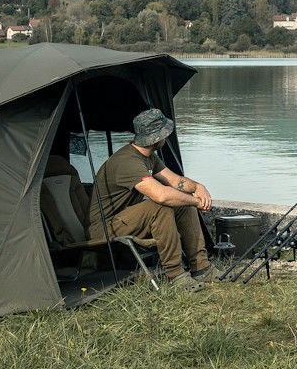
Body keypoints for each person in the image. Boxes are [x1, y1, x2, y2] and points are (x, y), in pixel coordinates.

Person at [87, 108, 221, 291]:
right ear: (156, 137)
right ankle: (175, 276)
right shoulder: (127, 161)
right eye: (165, 133)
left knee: (184, 202)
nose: (166, 137)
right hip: (104, 228)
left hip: (125, 219)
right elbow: (161, 195)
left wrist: (198, 188)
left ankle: (201, 267)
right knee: (161, 206)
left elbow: (175, 181)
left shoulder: (148, 156)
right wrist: (198, 202)